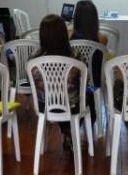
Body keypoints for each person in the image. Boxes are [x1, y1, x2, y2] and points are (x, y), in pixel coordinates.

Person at [30, 14, 95, 150]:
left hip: (45, 106)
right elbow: (85, 80)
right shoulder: (75, 56)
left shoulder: (34, 59)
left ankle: (68, 132)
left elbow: (33, 85)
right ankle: (71, 131)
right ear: (64, 34)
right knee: (90, 98)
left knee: (58, 98)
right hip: (72, 106)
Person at [70, 0, 107, 88]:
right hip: (95, 81)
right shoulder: (102, 38)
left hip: (75, 80)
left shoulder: (69, 36)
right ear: (94, 18)